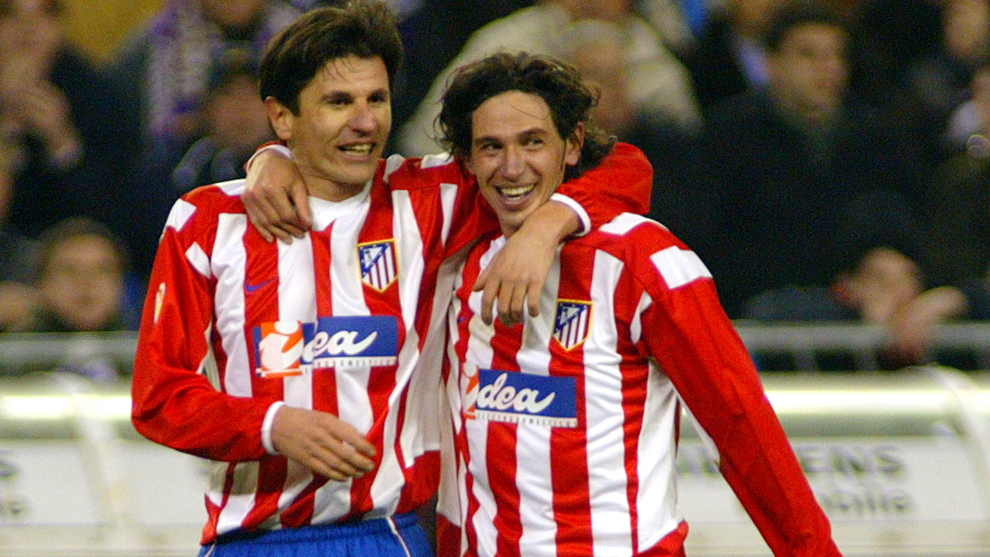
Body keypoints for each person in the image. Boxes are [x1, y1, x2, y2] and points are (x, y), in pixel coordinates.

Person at [130, 3, 652, 556]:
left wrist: (547, 225)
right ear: (282, 117)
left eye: (375, 99)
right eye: (338, 102)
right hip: (256, 540)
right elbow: (158, 398)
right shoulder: (207, 222)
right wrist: (272, 424)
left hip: (387, 535)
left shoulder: (432, 200)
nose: (365, 121)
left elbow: (621, 165)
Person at [432, 51, 840, 557]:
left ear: (573, 144)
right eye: (491, 147)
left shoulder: (644, 260)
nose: (512, 167)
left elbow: (742, 428)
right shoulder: (450, 241)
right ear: (468, 162)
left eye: (533, 142)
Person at [699, 0, 931, 318]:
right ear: (773, 64)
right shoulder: (726, 137)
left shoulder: (878, 138)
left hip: (855, 316)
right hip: (755, 318)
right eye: (808, 54)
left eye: (836, 55)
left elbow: (901, 220)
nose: (827, 67)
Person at [106, 0, 301, 280]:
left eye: (252, 95)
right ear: (205, 109)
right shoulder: (170, 174)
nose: (241, 108)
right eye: (228, 95)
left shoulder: (304, 168)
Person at [396, 0, 701, 156]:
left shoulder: (655, 61)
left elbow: (691, 168)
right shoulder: (500, 44)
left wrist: (632, 127)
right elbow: (422, 146)